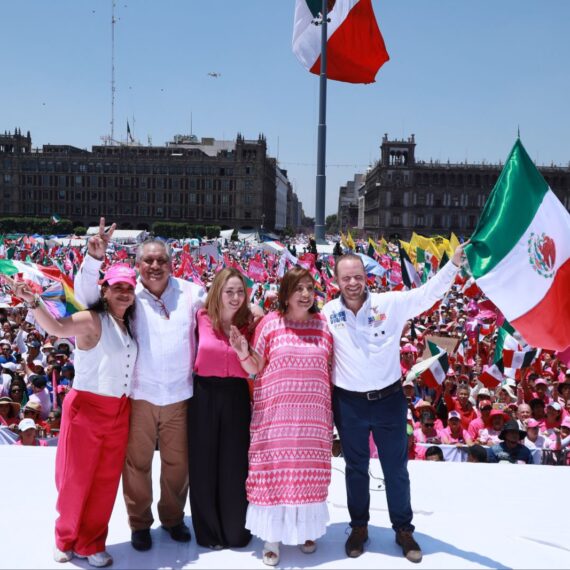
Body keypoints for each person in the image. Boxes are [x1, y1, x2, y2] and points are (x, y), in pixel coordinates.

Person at [322, 242, 467, 563]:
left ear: (366, 276)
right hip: (349, 404)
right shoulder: (327, 313)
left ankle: (403, 529)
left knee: (396, 469)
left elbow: (429, 294)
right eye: (346, 278)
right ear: (336, 281)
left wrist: (454, 264)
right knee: (355, 469)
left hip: (388, 401)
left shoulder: (392, 303)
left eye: (358, 276)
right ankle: (359, 527)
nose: (353, 283)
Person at [74, 219, 206, 551]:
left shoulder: (192, 293)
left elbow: (223, 311)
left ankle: (173, 518)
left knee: (178, 464)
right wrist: (93, 260)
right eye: (148, 260)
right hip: (140, 396)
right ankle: (140, 523)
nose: (155, 266)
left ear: (172, 264)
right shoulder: (126, 295)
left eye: (162, 260)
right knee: (137, 464)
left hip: (179, 396)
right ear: (137, 266)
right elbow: (86, 298)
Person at [8, 263, 138, 567]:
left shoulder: (128, 324)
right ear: (104, 291)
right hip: (87, 408)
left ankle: (91, 541)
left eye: (129, 288)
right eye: (117, 286)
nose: (124, 292)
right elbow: (57, 328)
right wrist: (32, 301)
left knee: (105, 482)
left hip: (119, 410)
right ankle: (65, 537)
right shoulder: (93, 319)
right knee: (75, 479)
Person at [230, 267, 333, 567]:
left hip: (313, 421)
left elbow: (330, 369)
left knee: (308, 475)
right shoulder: (270, 324)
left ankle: (307, 530)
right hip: (276, 419)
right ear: (285, 293)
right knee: (275, 473)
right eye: (298, 288)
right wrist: (241, 351)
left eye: (309, 288)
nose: (304, 294)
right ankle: (272, 536)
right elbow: (255, 366)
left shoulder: (323, 326)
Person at [188, 268, 257, 549]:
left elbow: (254, 369)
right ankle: (208, 531)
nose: (235, 297)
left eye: (240, 291)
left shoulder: (250, 322)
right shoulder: (199, 318)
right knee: (203, 463)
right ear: (217, 291)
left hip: (236, 396)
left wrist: (243, 349)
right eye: (229, 291)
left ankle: (234, 528)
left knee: (234, 463)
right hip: (203, 394)